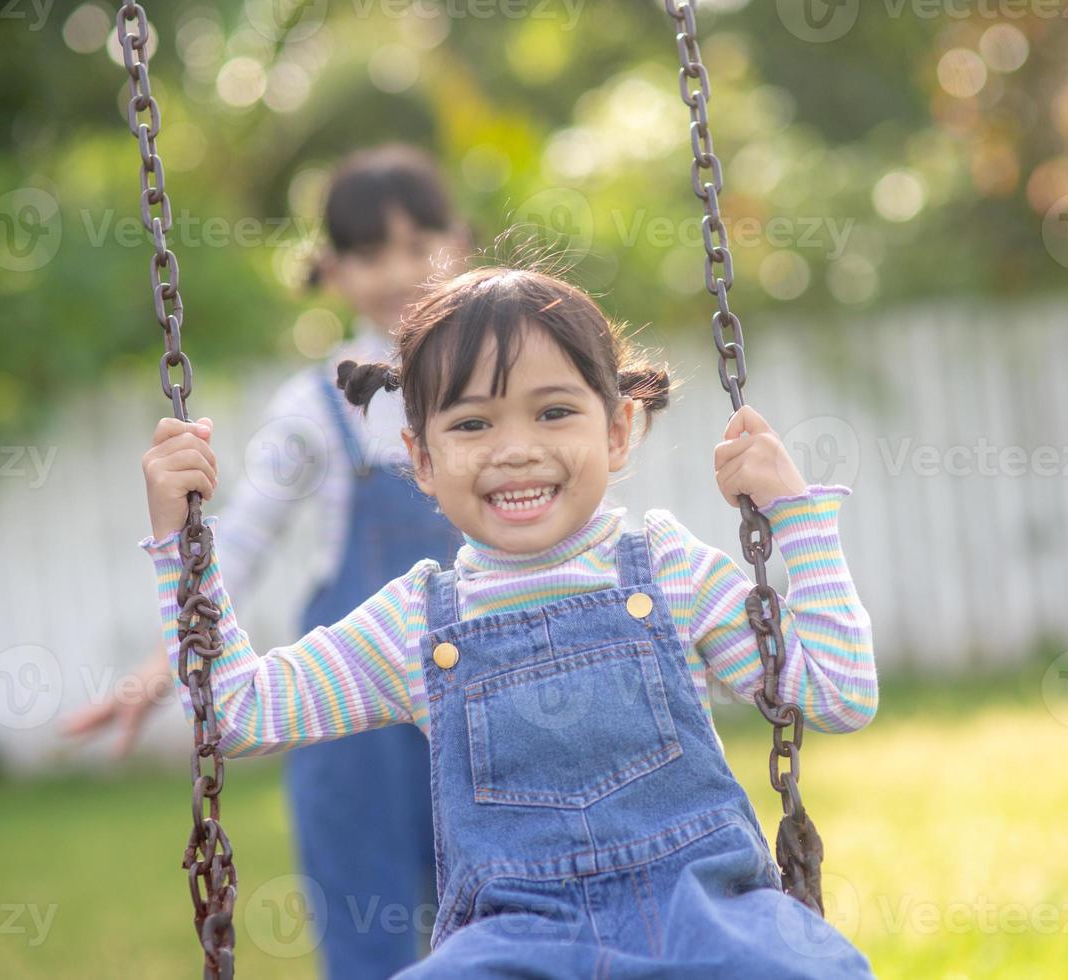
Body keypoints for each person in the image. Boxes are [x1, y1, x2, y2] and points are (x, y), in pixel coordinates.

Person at [139, 265, 879, 976]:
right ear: (421, 459)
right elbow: (232, 715)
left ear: (619, 429)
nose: (516, 450)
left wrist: (797, 517)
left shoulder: (674, 572)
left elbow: (838, 694)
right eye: (471, 424)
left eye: (554, 412)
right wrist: (182, 549)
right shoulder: (414, 625)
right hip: (515, 946)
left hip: (710, 917)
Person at [65, 145, 468, 976]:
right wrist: (156, 672)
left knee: (501, 908)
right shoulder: (317, 407)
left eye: (417, 242)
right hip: (353, 702)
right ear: (329, 271)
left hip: (483, 687)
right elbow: (239, 540)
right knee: (367, 915)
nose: (397, 269)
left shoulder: (495, 378)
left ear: (459, 242)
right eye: (367, 252)